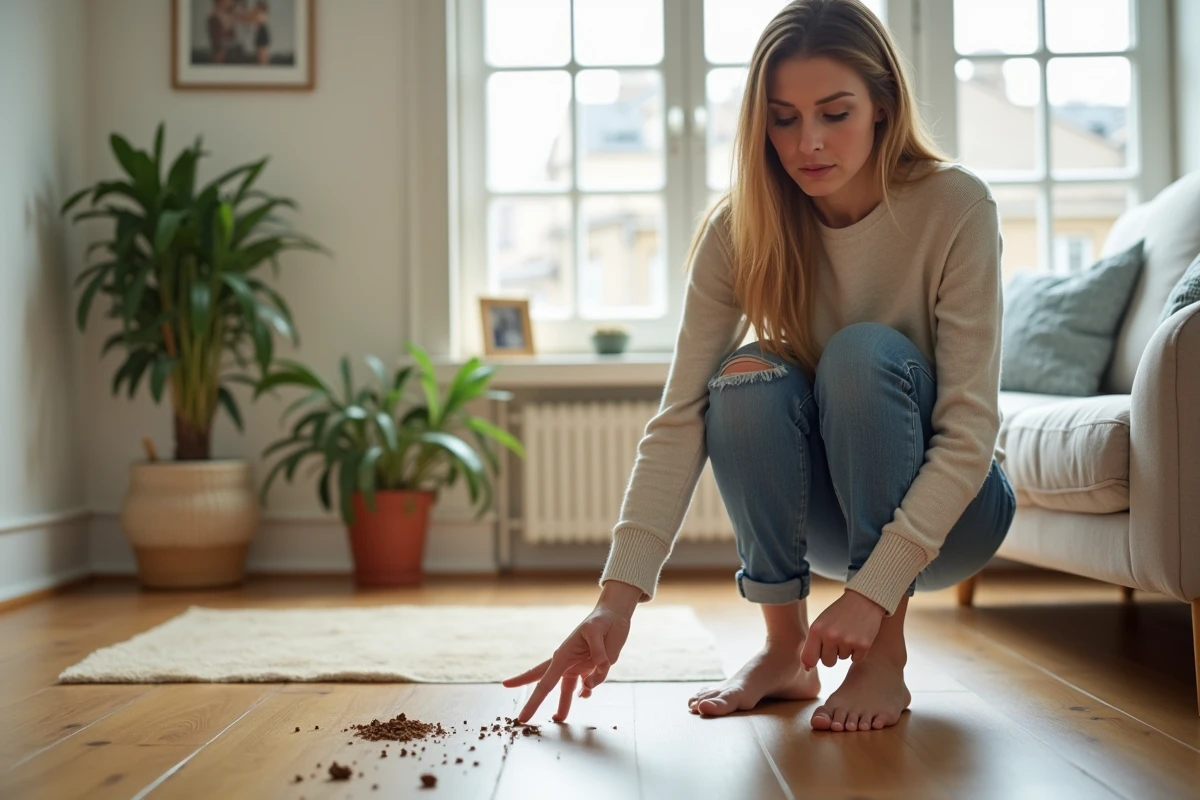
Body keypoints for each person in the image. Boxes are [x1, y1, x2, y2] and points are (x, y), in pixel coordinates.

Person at [502, 0, 1016, 734]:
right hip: (836, 512)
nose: (807, 142)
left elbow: (970, 430)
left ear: (882, 105)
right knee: (745, 375)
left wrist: (869, 595)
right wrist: (614, 601)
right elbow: (679, 418)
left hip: (959, 513)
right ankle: (784, 651)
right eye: (783, 118)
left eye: (834, 113)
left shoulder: (956, 205)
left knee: (860, 353)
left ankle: (885, 656)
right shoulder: (740, 226)